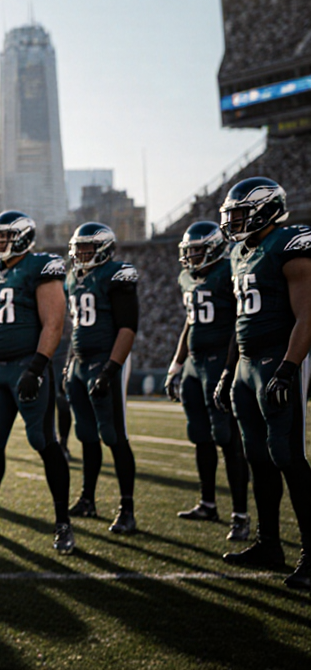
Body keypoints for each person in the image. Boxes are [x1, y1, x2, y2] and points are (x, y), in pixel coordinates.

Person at [0, 210, 75, 554]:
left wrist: (37, 368)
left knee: (43, 441)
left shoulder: (41, 267)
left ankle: (63, 524)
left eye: (5, 237)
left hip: (26, 366)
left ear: (22, 238)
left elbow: (54, 322)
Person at [214, 178, 311, 589]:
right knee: (258, 457)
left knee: (288, 455)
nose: (233, 222)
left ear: (267, 209)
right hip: (246, 365)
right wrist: (228, 371)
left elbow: (308, 314)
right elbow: (240, 322)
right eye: (231, 215)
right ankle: (269, 543)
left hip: (277, 359)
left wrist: (288, 368)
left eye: (240, 213)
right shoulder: (240, 252)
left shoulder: (289, 244)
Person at [163, 221, 249, 541]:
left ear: (214, 247)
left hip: (219, 360)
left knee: (227, 437)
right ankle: (207, 503)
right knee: (199, 435)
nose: (191, 256)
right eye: (189, 250)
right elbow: (190, 321)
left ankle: (240, 514)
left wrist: (230, 366)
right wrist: (176, 363)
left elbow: (240, 322)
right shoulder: (187, 277)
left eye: (197, 250)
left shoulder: (229, 271)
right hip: (194, 364)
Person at [62, 222, 141, 534]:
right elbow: (76, 328)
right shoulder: (72, 279)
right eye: (78, 247)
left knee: (114, 434)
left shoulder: (117, 274)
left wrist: (111, 369)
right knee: (86, 435)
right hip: (80, 363)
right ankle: (88, 499)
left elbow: (127, 327)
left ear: (104, 249)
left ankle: (127, 509)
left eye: (87, 248)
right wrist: (70, 362)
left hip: (107, 361)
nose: (81, 253)